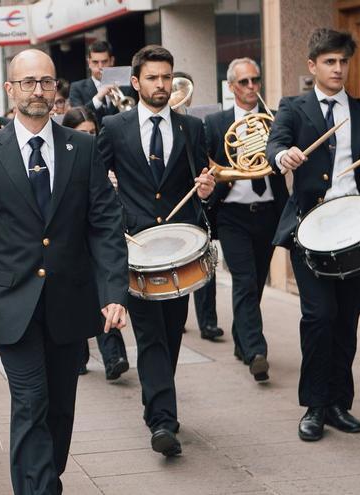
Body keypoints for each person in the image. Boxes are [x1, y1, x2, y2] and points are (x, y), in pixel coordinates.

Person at [0, 49, 128, 494]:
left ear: (57, 89)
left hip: (70, 304)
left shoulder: (84, 147)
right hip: (13, 304)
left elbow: (106, 224)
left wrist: (113, 291)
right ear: (10, 90)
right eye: (28, 82)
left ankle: (44, 478)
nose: (38, 90)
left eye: (46, 82)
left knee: (59, 411)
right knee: (30, 404)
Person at [266, 28, 360, 442]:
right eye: (329, 61)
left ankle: (339, 403)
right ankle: (313, 405)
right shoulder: (293, 107)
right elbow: (276, 147)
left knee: (345, 321)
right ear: (312, 66)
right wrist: (283, 156)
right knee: (319, 316)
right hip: (309, 230)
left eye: (343, 61)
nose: (338, 68)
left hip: (356, 230)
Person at [97, 45, 215, 457]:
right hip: (135, 250)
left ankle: (157, 405)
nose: (161, 85)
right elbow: (97, 185)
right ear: (136, 83)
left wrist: (205, 192)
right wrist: (112, 210)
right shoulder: (114, 127)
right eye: (153, 78)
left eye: (167, 77)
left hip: (179, 250)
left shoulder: (192, 128)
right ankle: (163, 421)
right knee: (149, 337)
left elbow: (200, 184)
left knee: (170, 334)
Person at [203, 58, 288, 381]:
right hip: (232, 214)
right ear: (231, 87)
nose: (252, 87)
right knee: (244, 279)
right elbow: (206, 163)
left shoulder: (276, 120)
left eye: (256, 80)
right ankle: (256, 350)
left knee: (256, 282)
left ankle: (242, 340)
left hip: (269, 212)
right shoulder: (215, 123)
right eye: (244, 82)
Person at [60, 107, 130, 380]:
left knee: (105, 296)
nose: (89, 137)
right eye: (82, 133)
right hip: (71, 244)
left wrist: (114, 184)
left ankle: (114, 357)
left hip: (97, 241)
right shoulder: (62, 157)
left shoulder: (99, 155)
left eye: (92, 132)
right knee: (77, 301)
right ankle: (79, 355)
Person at [171, 71, 222, 341]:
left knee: (204, 265)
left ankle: (208, 322)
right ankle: (176, 316)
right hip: (169, 205)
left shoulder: (195, 123)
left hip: (195, 202)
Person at [69, 40, 137, 123]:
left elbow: (131, 116)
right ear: (89, 63)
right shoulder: (76, 88)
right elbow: (77, 119)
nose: (100, 66)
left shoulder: (125, 87)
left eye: (104, 62)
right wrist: (99, 97)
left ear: (112, 61)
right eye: (95, 62)